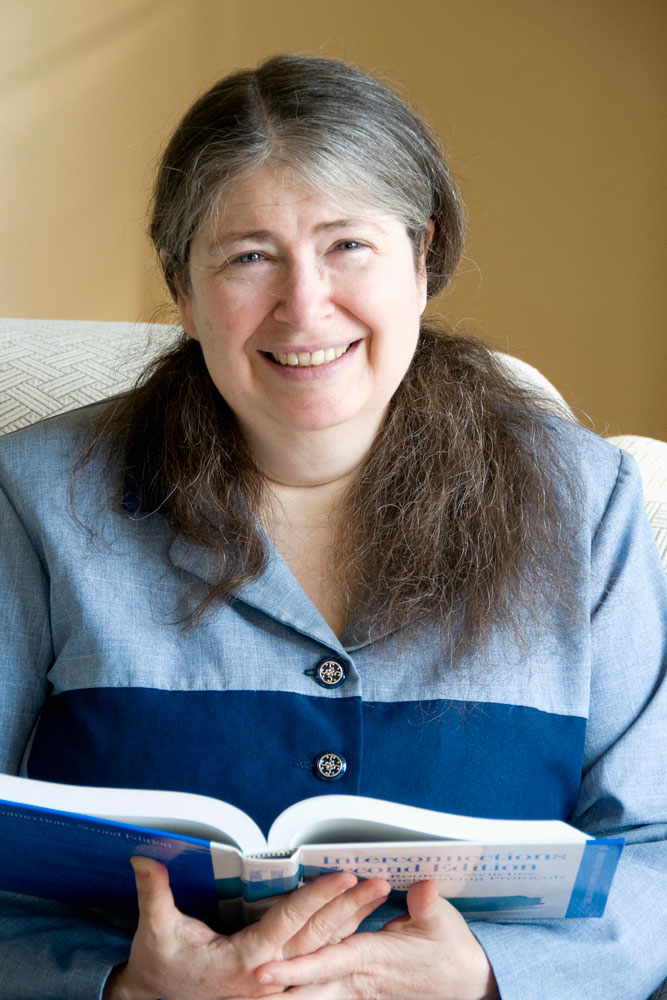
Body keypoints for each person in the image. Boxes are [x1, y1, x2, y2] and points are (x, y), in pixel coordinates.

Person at [0, 53, 665, 1000]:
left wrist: (487, 976)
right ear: (181, 291)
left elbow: (657, 847)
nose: (304, 306)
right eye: (248, 256)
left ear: (422, 257)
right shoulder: (31, 499)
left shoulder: (585, 500)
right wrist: (118, 984)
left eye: (347, 245)